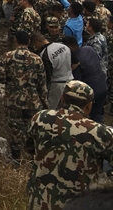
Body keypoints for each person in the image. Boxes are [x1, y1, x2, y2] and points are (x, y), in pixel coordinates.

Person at [26, 81, 113, 210]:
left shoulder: (39, 119)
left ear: (62, 98)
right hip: (80, 204)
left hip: (39, 201)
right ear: (89, 106)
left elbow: (29, 148)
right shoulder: (100, 133)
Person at [0, 30, 48, 160]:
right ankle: (31, 159)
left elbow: (1, 78)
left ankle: (16, 159)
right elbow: (42, 84)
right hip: (33, 101)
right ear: (29, 42)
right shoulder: (37, 59)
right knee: (31, 129)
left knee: (15, 130)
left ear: (15, 40)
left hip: (13, 101)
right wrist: (45, 102)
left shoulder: (6, 56)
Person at [63, 35, 108, 122]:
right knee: (98, 113)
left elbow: (77, 81)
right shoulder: (89, 49)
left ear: (70, 48)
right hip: (102, 86)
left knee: (91, 117)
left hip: (91, 91)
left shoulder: (76, 60)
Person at [32, 31, 75, 109]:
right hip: (71, 82)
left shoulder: (45, 53)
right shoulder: (63, 46)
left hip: (56, 85)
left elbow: (47, 75)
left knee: (51, 110)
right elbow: (76, 62)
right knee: (68, 109)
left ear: (37, 42)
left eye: (35, 45)